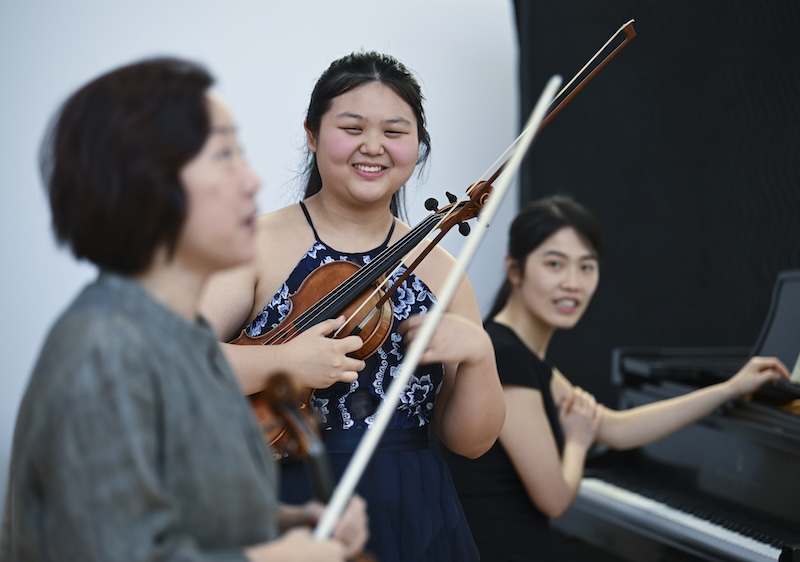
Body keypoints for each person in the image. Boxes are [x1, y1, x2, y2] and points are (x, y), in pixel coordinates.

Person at [0, 57, 368, 562]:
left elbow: (176, 511)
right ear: (146, 182)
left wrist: (289, 523)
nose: (251, 180)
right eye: (224, 155)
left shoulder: (183, 336)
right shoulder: (104, 349)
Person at [200, 50, 505, 562]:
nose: (373, 147)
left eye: (394, 131)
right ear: (313, 135)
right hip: (286, 499)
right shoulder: (254, 244)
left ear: (418, 146)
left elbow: (470, 442)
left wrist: (480, 357)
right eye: (352, 127)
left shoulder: (441, 270)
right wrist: (282, 362)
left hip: (413, 508)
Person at [441, 195, 791, 562]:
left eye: (586, 267)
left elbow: (615, 427)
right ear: (515, 270)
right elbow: (555, 499)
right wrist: (577, 442)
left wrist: (729, 388)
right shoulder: (507, 359)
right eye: (555, 264)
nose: (572, 283)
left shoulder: (518, 352)